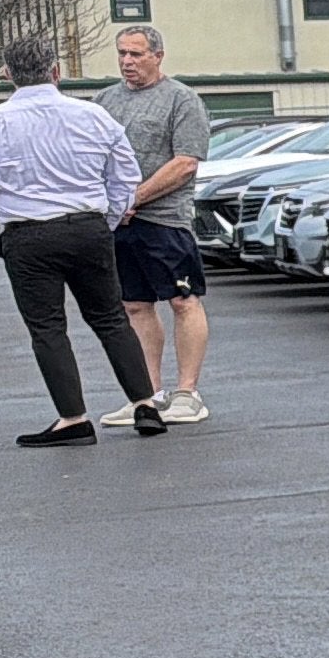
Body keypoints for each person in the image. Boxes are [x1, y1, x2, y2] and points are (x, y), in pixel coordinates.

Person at [0, 36, 164, 446]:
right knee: (111, 318)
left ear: (8, 74)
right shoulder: (94, 116)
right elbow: (124, 176)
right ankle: (145, 403)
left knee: (47, 327)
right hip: (88, 227)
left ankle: (72, 417)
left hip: (28, 233)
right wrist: (110, 219)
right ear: (56, 70)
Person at [105, 23, 217, 424]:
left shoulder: (181, 100)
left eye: (135, 54)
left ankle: (188, 393)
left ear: (157, 56)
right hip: (120, 224)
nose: (127, 62)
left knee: (182, 301)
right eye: (122, 53)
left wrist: (134, 197)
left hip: (166, 222)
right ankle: (146, 395)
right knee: (134, 305)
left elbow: (186, 162)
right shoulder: (105, 101)